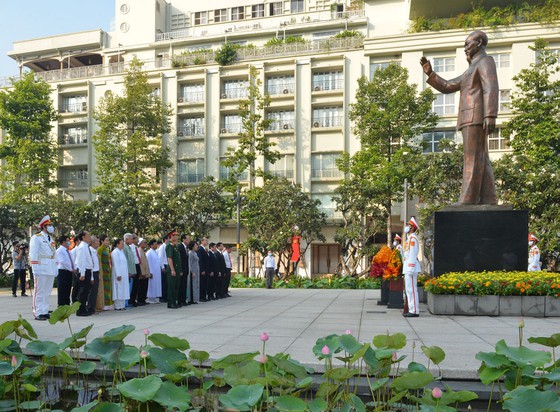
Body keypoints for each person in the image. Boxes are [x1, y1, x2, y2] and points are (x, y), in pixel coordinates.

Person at [420, 30, 499, 205]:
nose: (465, 48)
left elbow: (491, 87)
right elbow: (448, 86)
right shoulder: (470, 70)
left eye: (467, 44)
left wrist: (490, 114)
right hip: (470, 118)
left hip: (475, 117)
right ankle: (489, 198)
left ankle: (468, 199)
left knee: (472, 157)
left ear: (479, 42)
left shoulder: (485, 61)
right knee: (482, 158)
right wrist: (431, 74)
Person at [29, 215, 58, 321]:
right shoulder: (36, 238)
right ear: (44, 227)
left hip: (50, 267)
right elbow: (33, 253)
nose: (51, 227)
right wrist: (35, 268)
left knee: (47, 291)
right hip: (41, 267)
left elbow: (54, 254)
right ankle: (37, 312)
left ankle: (44, 311)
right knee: (39, 291)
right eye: (49, 225)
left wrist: (56, 268)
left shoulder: (51, 239)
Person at [403, 217, 421, 318]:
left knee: (412, 290)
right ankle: (411, 309)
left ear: (412, 228)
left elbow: (413, 254)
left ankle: (414, 310)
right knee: (409, 289)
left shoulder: (413, 238)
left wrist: (410, 267)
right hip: (408, 267)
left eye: (408, 226)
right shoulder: (409, 238)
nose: (406, 227)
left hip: (411, 268)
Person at [74, 231, 94, 316]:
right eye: (88, 236)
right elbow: (81, 261)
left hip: (87, 270)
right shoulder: (82, 247)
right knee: (82, 292)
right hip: (84, 271)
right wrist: (82, 274)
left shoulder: (86, 247)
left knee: (85, 291)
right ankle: (80, 310)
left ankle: (83, 308)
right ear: (83, 237)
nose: (90, 238)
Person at [55, 235, 75, 306]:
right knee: (62, 288)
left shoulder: (69, 251)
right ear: (63, 242)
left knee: (68, 288)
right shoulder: (59, 251)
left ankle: (67, 303)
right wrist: (71, 269)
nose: (69, 242)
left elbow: (72, 260)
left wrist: (74, 268)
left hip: (69, 272)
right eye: (67, 241)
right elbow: (63, 262)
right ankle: (61, 304)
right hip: (62, 271)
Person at [111, 239, 130, 310]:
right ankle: (118, 305)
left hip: (124, 274)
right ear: (117, 244)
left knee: (123, 289)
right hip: (118, 274)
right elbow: (116, 264)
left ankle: (122, 305)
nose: (123, 245)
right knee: (118, 289)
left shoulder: (121, 252)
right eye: (121, 244)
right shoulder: (115, 252)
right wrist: (118, 274)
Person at [165, 229, 182, 309]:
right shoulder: (169, 246)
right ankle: (170, 302)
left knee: (176, 286)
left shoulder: (175, 246)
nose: (177, 237)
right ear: (171, 236)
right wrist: (172, 269)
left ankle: (174, 301)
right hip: (173, 269)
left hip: (177, 269)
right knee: (171, 287)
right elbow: (169, 258)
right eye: (175, 235)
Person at [97, 235, 113, 310]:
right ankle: (104, 304)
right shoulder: (100, 249)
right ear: (102, 241)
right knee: (104, 289)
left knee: (108, 288)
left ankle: (108, 303)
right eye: (106, 240)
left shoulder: (107, 249)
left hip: (108, 271)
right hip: (103, 272)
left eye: (108, 240)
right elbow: (99, 261)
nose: (108, 242)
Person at [122, 233, 137, 307]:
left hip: (131, 272)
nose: (132, 240)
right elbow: (125, 261)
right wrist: (127, 272)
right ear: (126, 239)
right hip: (128, 272)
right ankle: (125, 303)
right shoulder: (124, 248)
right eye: (131, 239)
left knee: (130, 288)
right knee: (127, 289)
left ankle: (127, 302)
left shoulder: (129, 247)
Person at [87, 236, 101, 314]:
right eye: (96, 241)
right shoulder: (90, 251)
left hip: (96, 272)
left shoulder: (95, 251)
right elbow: (91, 265)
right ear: (92, 243)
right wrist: (92, 277)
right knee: (91, 292)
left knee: (95, 292)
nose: (98, 242)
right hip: (92, 273)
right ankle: (90, 308)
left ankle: (93, 307)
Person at [146, 239, 162, 303]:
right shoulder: (149, 253)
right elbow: (149, 263)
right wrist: (150, 272)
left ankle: (155, 297)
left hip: (157, 272)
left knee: (156, 285)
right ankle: (150, 298)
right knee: (152, 285)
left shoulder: (155, 252)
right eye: (155, 244)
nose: (156, 246)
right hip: (152, 272)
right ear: (151, 245)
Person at [177, 234, 190, 307]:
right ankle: (179, 301)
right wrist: (180, 270)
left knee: (184, 286)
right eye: (188, 239)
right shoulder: (180, 247)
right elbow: (180, 260)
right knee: (180, 286)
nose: (189, 240)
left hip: (185, 270)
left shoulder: (186, 248)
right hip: (182, 270)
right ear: (183, 240)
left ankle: (183, 300)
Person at [137, 238, 150, 305]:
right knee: (141, 287)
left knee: (145, 287)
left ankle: (143, 299)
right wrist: (142, 273)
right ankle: (140, 300)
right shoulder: (139, 251)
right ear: (140, 243)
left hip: (146, 272)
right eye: (144, 242)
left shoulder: (143, 251)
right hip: (142, 273)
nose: (146, 244)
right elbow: (140, 263)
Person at [157, 237, 170, 302]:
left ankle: (166, 296)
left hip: (167, 265)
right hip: (164, 265)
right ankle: (163, 297)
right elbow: (160, 257)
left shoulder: (168, 246)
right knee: (164, 282)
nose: (169, 240)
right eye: (168, 239)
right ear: (165, 240)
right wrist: (162, 267)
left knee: (167, 282)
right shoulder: (162, 247)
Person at [197, 237, 210, 302]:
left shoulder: (205, 249)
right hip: (203, 269)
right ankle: (201, 297)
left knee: (205, 283)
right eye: (206, 240)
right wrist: (202, 270)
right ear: (202, 241)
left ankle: (204, 296)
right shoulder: (200, 249)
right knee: (202, 283)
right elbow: (200, 260)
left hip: (206, 269)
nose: (207, 242)